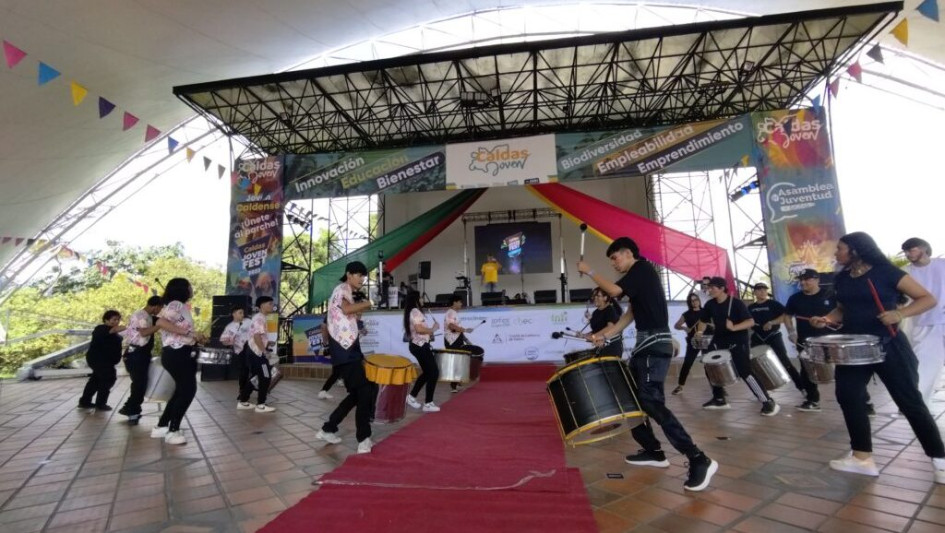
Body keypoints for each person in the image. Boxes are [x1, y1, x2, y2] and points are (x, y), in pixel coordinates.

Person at [577, 237, 718, 492]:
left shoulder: (641, 269)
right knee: (631, 398)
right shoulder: (639, 277)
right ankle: (653, 451)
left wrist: (591, 271)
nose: (614, 263)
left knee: (651, 401)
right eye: (610, 261)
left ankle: (699, 458)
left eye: (615, 258)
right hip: (645, 346)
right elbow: (630, 314)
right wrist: (604, 336)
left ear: (628, 253)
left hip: (655, 345)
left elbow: (615, 292)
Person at [811, 232, 945, 482]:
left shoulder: (886, 272)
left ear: (856, 250)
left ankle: (940, 459)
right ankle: (862, 458)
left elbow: (927, 299)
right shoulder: (842, 278)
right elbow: (842, 308)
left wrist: (900, 314)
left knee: (909, 402)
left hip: (888, 344)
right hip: (854, 348)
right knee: (848, 396)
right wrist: (828, 319)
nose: (836, 253)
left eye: (840, 248)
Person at [315, 261, 375, 454]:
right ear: (349, 274)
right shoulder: (342, 289)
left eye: (363, 277)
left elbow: (346, 315)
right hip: (345, 352)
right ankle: (364, 438)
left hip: (348, 351)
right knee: (366, 390)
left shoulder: (344, 291)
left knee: (358, 393)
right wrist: (369, 302)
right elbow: (348, 309)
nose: (362, 279)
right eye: (359, 275)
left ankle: (328, 428)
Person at [696, 277, 779, 415]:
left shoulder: (736, 303)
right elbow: (703, 321)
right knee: (710, 366)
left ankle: (767, 401)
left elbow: (750, 322)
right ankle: (719, 399)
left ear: (722, 288)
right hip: (719, 341)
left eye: (712, 287)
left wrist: (734, 327)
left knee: (745, 371)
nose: (709, 290)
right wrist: (699, 331)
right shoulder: (710, 304)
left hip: (738, 341)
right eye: (708, 288)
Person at [151, 278, 207, 445]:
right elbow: (160, 322)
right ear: (182, 289)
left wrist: (196, 336)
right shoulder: (176, 304)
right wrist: (189, 335)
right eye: (190, 286)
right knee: (188, 390)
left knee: (180, 391)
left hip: (176, 352)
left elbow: (179, 329)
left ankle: (162, 426)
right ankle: (173, 431)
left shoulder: (179, 306)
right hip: (178, 353)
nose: (192, 289)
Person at [901, 237, 945, 405]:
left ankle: (917, 403)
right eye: (905, 251)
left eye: (911, 250)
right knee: (924, 364)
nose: (907, 254)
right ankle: (918, 403)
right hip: (919, 323)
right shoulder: (905, 272)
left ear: (924, 249)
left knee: (929, 364)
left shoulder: (942, 265)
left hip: (940, 320)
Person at [748, 283, 806, 404]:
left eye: (764, 290)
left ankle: (802, 388)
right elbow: (746, 321)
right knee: (755, 365)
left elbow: (785, 317)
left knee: (785, 362)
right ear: (754, 292)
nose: (762, 292)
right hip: (758, 338)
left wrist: (771, 322)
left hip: (773, 336)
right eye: (759, 290)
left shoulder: (773, 304)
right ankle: (762, 392)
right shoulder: (750, 307)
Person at [783, 269, 831, 412]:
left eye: (807, 279)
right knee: (806, 370)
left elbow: (841, 313)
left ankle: (864, 403)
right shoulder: (795, 298)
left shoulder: (829, 295)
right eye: (801, 280)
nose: (803, 282)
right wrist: (791, 332)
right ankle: (812, 400)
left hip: (830, 340)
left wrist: (826, 321)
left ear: (817, 280)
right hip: (805, 340)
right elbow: (787, 316)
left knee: (843, 370)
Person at [118, 296, 164, 424]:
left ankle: (132, 409)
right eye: (160, 308)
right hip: (135, 354)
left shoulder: (148, 316)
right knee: (139, 384)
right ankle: (131, 410)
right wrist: (159, 326)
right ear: (155, 306)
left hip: (141, 354)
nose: (160, 311)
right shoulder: (141, 315)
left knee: (141, 383)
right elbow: (144, 333)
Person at [78, 310, 126, 411]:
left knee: (95, 380)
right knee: (108, 379)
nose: (116, 321)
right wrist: (132, 326)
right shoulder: (101, 328)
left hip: (107, 361)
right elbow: (115, 330)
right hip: (99, 360)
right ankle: (101, 403)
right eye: (114, 319)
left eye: (118, 319)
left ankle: (85, 401)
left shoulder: (115, 333)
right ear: (106, 320)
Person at [236, 297, 277, 413]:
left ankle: (243, 401)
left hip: (254, 352)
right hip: (257, 353)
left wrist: (267, 343)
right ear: (262, 305)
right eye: (269, 303)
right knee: (265, 377)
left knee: (256, 378)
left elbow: (258, 336)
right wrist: (265, 351)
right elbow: (257, 336)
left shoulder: (261, 318)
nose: (271, 306)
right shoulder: (259, 318)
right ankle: (261, 405)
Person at [404, 290, 442, 411]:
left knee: (427, 372)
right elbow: (419, 329)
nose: (422, 300)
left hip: (420, 345)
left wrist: (430, 332)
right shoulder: (415, 311)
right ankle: (428, 403)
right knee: (434, 372)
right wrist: (433, 329)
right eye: (420, 298)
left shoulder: (415, 311)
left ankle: (411, 397)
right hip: (419, 345)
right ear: (416, 299)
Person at [672, 292, 703, 395]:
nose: (695, 302)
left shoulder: (705, 312)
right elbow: (676, 325)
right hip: (693, 341)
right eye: (692, 301)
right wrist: (684, 327)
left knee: (709, 364)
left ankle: (717, 387)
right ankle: (680, 386)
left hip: (706, 340)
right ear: (690, 303)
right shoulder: (687, 314)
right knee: (687, 363)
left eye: (696, 299)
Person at [220, 305, 252, 402]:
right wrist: (230, 340)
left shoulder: (248, 322)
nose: (242, 315)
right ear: (234, 314)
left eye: (243, 313)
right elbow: (223, 340)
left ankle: (248, 390)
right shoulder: (229, 327)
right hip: (240, 351)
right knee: (244, 371)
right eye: (240, 313)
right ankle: (242, 391)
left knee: (254, 370)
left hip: (251, 348)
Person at [444, 294, 474, 392]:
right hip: (452, 341)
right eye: (460, 302)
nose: (461, 304)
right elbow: (451, 326)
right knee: (454, 362)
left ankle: (456, 382)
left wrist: (465, 337)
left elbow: (457, 328)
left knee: (459, 361)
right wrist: (464, 330)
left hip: (457, 339)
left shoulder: (454, 313)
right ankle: (453, 385)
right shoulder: (450, 313)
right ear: (455, 302)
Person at [584, 287, 623, 358]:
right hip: (600, 347)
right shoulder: (595, 313)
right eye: (594, 296)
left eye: (598, 296)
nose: (594, 298)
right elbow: (597, 330)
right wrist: (584, 335)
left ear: (605, 297)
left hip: (611, 347)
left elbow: (610, 328)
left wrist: (594, 336)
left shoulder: (610, 310)